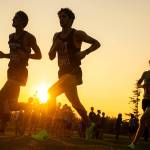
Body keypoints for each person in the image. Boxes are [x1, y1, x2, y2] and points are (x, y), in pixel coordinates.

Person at [48, 8, 100, 138]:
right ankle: (89, 124)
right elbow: (50, 56)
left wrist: (84, 52)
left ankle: (47, 130)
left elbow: (97, 43)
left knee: (50, 92)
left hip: (73, 72)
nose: (61, 19)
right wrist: (55, 45)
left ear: (71, 19)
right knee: (75, 102)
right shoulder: (56, 36)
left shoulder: (77, 34)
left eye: (64, 17)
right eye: (59, 17)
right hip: (62, 73)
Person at [0, 11, 42, 133]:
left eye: (16, 18)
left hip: (21, 72)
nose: (13, 19)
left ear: (23, 22)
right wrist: (4, 55)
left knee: (2, 96)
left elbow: (39, 55)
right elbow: (13, 55)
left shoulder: (29, 37)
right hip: (11, 70)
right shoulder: (11, 37)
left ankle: (3, 124)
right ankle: (29, 106)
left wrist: (26, 55)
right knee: (11, 104)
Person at [128, 60, 150, 149]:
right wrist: (142, 86)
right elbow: (138, 84)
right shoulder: (145, 73)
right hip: (145, 100)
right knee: (146, 123)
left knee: (142, 119)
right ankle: (134, 143)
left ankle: (133, 144)